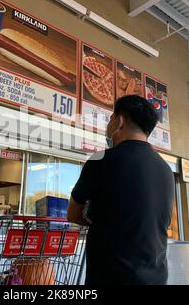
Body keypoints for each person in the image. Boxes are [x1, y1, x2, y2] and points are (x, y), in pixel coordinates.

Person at [67, 95, 175, 285]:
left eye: (110, 118)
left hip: (112, 278)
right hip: (157, 278)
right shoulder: (166, 169)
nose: (109, 124)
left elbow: (73, 214)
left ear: (120, 121)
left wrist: (95, 220)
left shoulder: (100, 159)